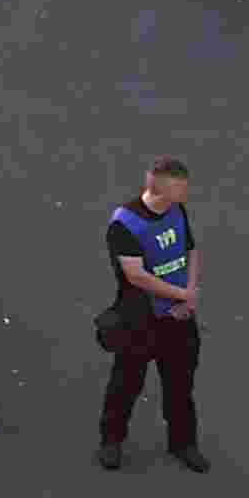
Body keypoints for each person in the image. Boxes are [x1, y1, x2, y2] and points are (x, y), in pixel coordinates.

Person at [97, 159, 205, 475]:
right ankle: (111, 440)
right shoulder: (125, 224)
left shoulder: (177, 211)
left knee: (180, 386)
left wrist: (190, 292)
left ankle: (183, 443)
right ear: (164, 187)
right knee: (126, 382)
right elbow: (136, 276)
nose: (186, 191)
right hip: (140, 321)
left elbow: (191, 251)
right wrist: (182, 296)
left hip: (179, 318)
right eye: (181, 185)